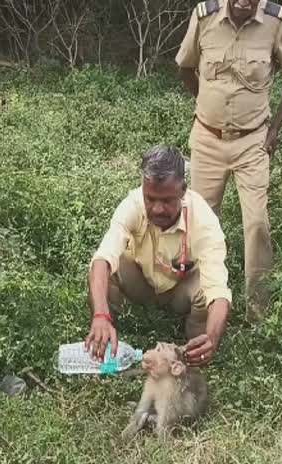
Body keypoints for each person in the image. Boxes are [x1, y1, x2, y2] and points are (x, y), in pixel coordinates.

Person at [175, 0, 282, 324]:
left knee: (257, 224)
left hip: (252, 143)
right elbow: (185, 66)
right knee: (200, 222)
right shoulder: (204, 17)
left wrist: (275, 127)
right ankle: (199, 307)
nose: (244, 1)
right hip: (208, 141)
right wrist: (205, 103)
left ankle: (258, 315)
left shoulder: (277, 23)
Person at [85, 145, 233, 368]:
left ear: (183, 191)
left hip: (180, 294)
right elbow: (102, 259)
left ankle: (194, 350)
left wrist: (212, 337)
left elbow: (219, 292)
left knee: (205, 288)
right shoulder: (132, 205)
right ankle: (108, 333)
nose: (157, 209)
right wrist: (100, 315)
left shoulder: (203, 219)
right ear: (143, 189)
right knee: (105, 267)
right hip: (142, 284)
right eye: (151, 199)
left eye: (166, 201)